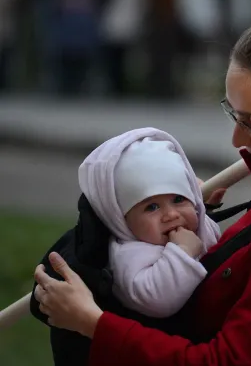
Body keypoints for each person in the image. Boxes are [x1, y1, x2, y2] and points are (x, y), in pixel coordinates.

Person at [33, 4, 251, 365]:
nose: (238, 138)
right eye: (234, 114)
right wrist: (191, 213)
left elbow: (226, 361)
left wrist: (94, 324)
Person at [31, 127, 222, 366]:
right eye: (152, 207)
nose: (171, 215)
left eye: (178, 198)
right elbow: (158, 298)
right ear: (122, 220)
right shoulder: (129, 254)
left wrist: (204, 212)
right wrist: (182, 252)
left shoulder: (178, 227)